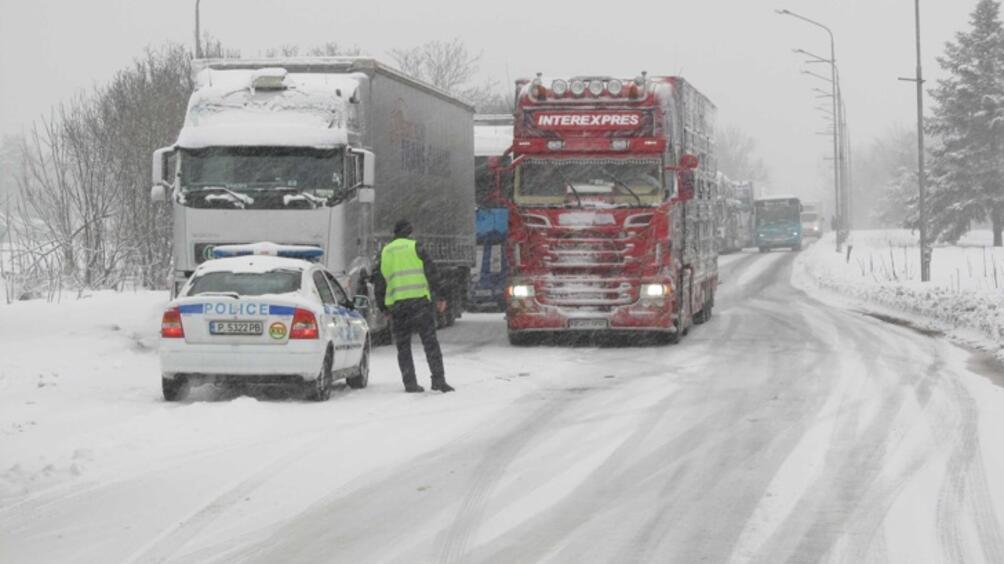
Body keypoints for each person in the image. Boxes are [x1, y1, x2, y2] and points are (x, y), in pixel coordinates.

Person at [373, 219, 455, 393]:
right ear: (409, 232)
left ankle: (410, 383)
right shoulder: (416, 247)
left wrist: (384, 308)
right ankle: (438, 380)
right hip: (420, 304)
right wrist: (440, 296)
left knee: (403, 347)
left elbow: (379, 282)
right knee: (430, 343)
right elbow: (432, 273)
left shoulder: (385, 252)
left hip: (398, 307)